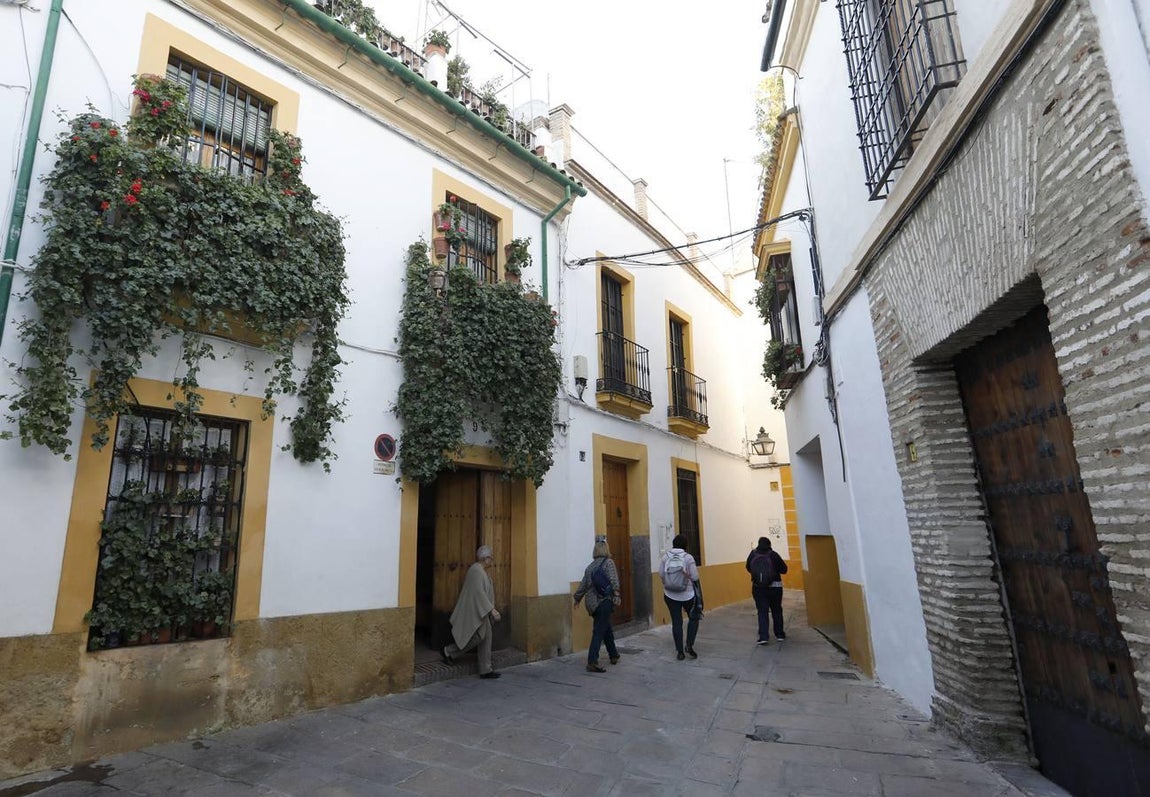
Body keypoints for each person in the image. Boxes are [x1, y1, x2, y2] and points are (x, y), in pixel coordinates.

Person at [442, 545, 502, 679]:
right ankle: (448, 651)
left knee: (486, 638)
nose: (492, 561)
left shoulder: (481, 571)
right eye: (491, 558)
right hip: (477, 611)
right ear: (486, 558)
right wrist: (491, 610)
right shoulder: (476, 570)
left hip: (482, 611)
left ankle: (485, 669)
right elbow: (478, 593)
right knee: (478, 637)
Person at [573, 537, 621, 673]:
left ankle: (613, 655)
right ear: (606, 550)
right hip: (604, 601)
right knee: (599, 630)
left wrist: (577, 599)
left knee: (606, 628)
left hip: (591, 604)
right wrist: (617, 596)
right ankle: (592, 662)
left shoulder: (590, 567)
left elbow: (583, 586)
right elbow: (614, 581)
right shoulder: (609, 562)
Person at [660, 534, 703, 660]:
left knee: (676, 622)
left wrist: (669, 582)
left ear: (673, 544)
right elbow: (695, 577)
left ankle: (680, 652)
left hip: (670, 594)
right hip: (687, 595)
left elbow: (661, 573)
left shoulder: (666, 557)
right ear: (685, 545)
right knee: (693, 618)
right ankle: (689, 645)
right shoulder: (688, 558)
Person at [746, 536, 788, 644]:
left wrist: (759, 576)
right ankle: (779, 634)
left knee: (762, 611)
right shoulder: (773, 555)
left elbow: (748, 567)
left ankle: (763, 637)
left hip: (758, 588)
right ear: (769, 544)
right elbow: (784, 570)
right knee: (776, 610)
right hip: (775, 588)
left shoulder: (753, 554)